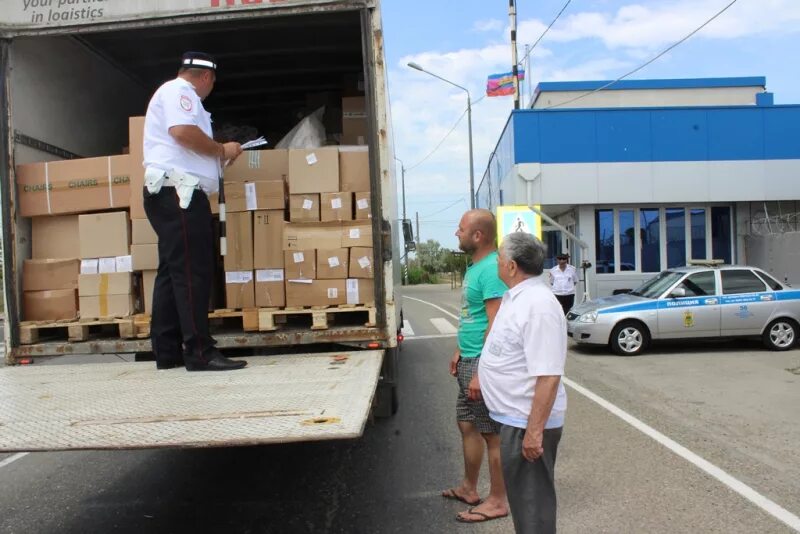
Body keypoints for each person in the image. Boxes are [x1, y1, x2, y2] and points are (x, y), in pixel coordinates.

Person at [142, 51, 246, 371]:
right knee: (192, 272)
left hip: (172, 192)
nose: (211, 87)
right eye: (213, 81)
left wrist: (217, 156)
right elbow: (183, 133)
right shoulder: (180, 92)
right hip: (180, 193)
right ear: (205, 76)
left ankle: (167, 350)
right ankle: (199, 351)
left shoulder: (180, 96)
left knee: (172, 273)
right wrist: (221, 150)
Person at [478, 232, 567, 534]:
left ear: (512, 266)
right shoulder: (518, 297)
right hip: (514, 419)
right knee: (525, 506)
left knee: (533, 510)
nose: (497, 264)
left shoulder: (538, 305)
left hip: (525, 422)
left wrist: (534, 432)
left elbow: (549, 375)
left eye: (500, 259)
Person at [442, 209, 510, 524]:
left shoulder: (489, 270)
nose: (457, 233)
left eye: (461, 228)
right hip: (468, 359)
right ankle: (470, 488)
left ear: (478, 235)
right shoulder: (474, 267)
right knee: (467, 425)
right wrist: (459, 349)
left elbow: (495, 324)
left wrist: (482, 371)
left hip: (482, 364)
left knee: (491, 434)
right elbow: (474, 317)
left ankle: (498, 500)